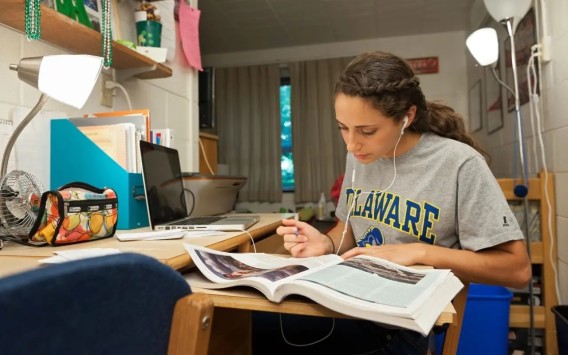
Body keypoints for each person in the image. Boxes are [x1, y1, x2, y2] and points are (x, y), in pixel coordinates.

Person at [253, 51, 531, 355]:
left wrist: (421, 251)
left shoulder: (459, 163)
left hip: (402, 326)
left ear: (406, 117)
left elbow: (516, 270)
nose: (351, 144)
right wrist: (326, 243)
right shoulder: (358, 157)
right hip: (350, 304)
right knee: (247, 326)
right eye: (342, 127)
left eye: (367, 131)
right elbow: (349, 230)